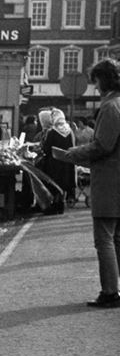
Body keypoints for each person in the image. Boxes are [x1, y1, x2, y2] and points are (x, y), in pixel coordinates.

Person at [53, 58, 120, 308]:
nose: (95, 87)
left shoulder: (111, 107)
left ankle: (110, 292)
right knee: (117, 239)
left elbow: (103, 145)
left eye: (96, 81)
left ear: (103, 80)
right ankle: (115, 288)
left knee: (104, 239)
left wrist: (71, 154)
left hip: (109, 182)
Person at [37, 108, 76, 205]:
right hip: (67, 162)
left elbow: (46, 148)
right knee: (64, 183)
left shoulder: (52, 131)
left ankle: (55, 203)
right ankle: (62, 202)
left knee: (55, 184)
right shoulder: (69, 130)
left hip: (54, 163)